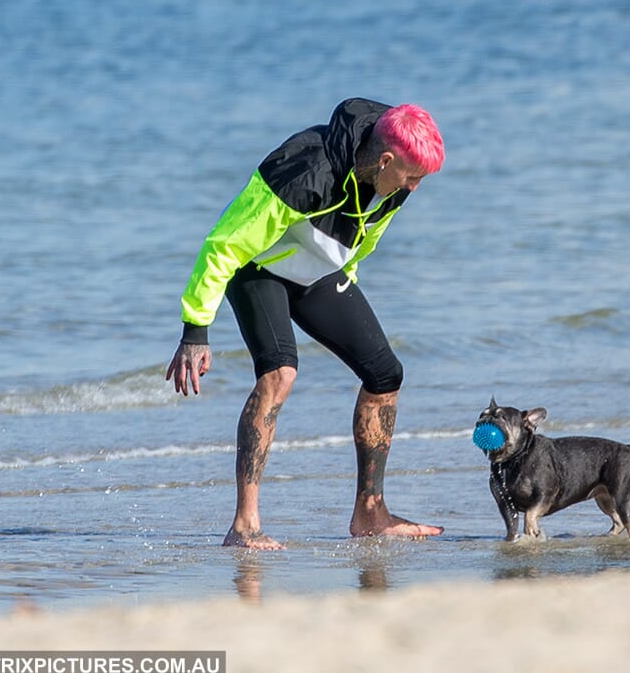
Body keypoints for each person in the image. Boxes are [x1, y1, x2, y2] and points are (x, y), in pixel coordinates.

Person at [166, 98, 445, 549]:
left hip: (314, 270)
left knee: (385, 373)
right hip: (258, 266)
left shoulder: (392, 179)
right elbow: (226, 244)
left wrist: (347, 276)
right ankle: (245, 524)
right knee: (280, 373)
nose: (414, 189)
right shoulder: (304, 171)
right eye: (412, 177)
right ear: (387, 159)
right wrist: (195, 330)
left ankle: (370, 513)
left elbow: (366, 233)